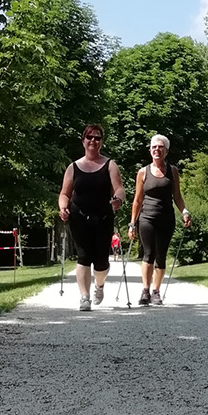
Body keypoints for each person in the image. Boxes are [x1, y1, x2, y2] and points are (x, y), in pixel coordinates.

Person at [58, 125, 125, 310]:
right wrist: (63, 208)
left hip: (103, 217)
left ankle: (99, 285)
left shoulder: (110, 165)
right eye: (89, 137)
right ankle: (84, 297)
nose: (93, 141)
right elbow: (64, 193)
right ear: (83, 141)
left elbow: (119, 188)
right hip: (78, 216)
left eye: (97, 138)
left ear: (101, 142)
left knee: (101, 262)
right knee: (83, 256)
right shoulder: (73, 167)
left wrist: (118, 199)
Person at [128, 134, 191, 305]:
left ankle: (156, 291)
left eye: (161, 147)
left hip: (166, 218)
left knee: (161, 255)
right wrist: (132, 223)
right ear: (150, 150)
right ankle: (145, 290)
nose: (157, 149)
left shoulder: (173, 171)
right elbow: (137, 200)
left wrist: (184, 212)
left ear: (166, 151)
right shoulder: (143, 172)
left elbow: (177, 196)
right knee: (148, 253)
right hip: (147, 218)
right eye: (154, 147)